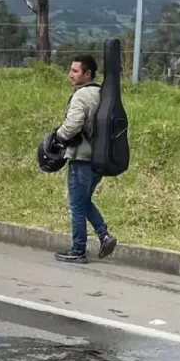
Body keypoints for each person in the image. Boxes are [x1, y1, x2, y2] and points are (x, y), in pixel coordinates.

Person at [52, 55, 118, 264]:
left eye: (75, 71)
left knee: (76, 206)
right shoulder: (102, 94)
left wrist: (57, 137)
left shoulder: (81, 96)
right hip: (100, 158)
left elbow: (72, 126)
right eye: (70, 70)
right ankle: (104, 235)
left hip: (81, 158)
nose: (71, 74)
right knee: (84, 201)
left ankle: (78, 249)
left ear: (87, 74)